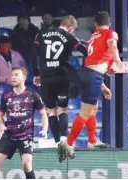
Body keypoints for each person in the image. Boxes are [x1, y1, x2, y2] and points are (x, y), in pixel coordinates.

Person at [60, 11, 125, 161]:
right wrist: (118, 61)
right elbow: (112, 45)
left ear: (95, 25)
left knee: (93, 108)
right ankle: (68, 144)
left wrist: (103, 86)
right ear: (109, 23)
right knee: (85, 112)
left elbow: (93, 63)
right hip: (92, 76)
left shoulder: (92, 38)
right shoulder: (110, 33)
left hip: (89, 74)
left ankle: (92, 140)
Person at [32, 15, 87, 147]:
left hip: (46, 77)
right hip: (61, 76)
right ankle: (63, 139)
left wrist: (36, 73)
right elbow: (85, 51)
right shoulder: (69, 36)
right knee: (62, 109)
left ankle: (57, 141)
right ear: (70, 28)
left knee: (51, 111)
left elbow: (33, 55)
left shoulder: (42, 33)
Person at [0, 67, 48, 179]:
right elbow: (0, 115)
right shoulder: (6, 95)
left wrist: (45, 129)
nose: (13, 77)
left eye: (16, 75)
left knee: (27, 165)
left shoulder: (32, 95)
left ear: (24, 77)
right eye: (12, 75)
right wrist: (1, 125)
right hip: (9, 135)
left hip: (25, 136)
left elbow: (43, 114)